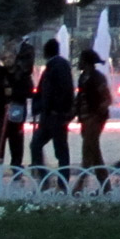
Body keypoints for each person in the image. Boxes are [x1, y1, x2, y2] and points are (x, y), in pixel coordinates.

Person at [29, 38, 73, 174]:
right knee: (40, 145)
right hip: (50, 115)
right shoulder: (56, 66)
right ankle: (48, 178)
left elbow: (61, 90)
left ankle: (57, 181)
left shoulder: (57, 66)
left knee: (58, 149)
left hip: (54, 116)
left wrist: (56, 110)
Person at [75, 49, 111, 188]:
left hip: (94, 119)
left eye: (81, 60)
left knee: (88, 152)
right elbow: (80, 98)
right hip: (85, 118)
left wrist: (96, 117)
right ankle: (105, 186)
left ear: (87, 62)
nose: (78, 63)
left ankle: (79, 186)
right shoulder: (83, 77)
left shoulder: (97, 78)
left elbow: (107, 99)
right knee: (94, 151)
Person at [1, 42, 33, 171]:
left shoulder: (22, 75)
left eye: (10, 57)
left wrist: (13, 93)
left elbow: (29, 92)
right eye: (5, 57)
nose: (8, 60)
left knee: (16, 144)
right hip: (1, 115)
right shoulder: (1, 74)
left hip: (16, 114)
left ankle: (17, 169)